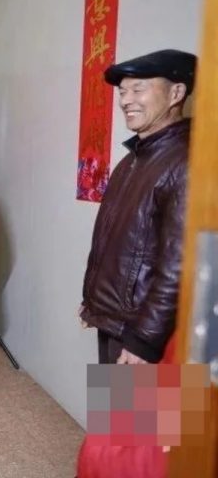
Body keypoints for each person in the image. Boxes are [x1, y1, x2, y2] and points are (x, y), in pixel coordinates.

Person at [80, 49, 197, 365]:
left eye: (138, 89)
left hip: (146, 333)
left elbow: (182, 265)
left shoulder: (186, 161)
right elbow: (115, 242)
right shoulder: (133, 159)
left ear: (176, 93)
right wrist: (95, 303)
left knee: (144, 402)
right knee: (114, 399)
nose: (126, 100)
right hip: (117, 321)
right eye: (123, 91)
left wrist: (145, 340)